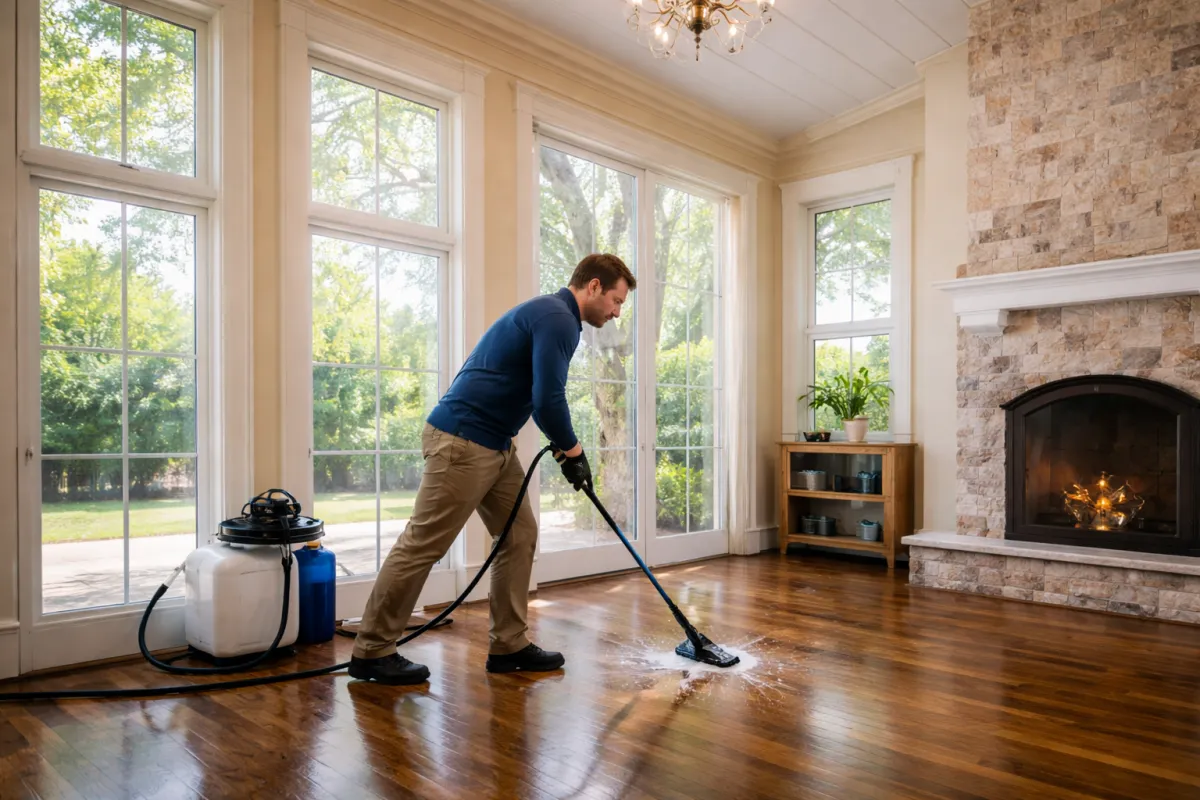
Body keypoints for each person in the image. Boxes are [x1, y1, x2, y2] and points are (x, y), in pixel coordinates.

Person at [348, 253, 637, 685]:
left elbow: (538, 397)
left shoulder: (553, 316)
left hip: (495, 443)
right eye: (616, 301)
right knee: (423, 544)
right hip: (463, 441)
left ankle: (509, 645)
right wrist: (574, 453)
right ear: (593, 286)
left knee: (519, 534)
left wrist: (566, 449)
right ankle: (372, 651)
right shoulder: (557, 317)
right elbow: (548, 399)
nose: (616, 312)